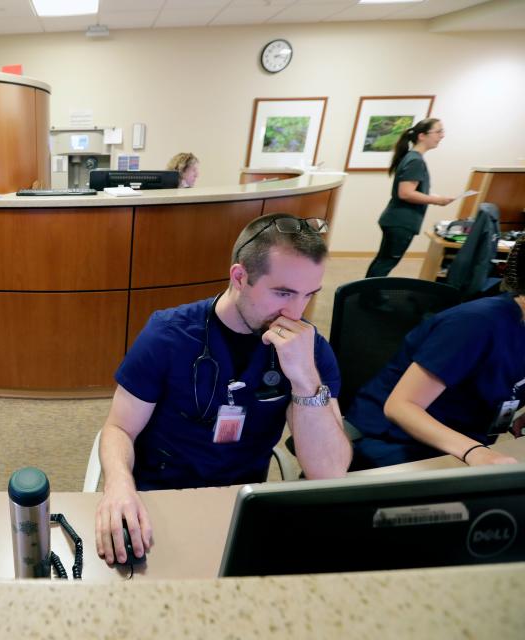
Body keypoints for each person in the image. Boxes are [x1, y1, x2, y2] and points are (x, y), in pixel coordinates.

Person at [94, 213, 351, 566]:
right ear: (240, 276)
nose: (295, 312)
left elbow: (330, 473)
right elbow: (119, 428)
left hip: (242, 503)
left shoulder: (309, 349)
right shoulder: (168, 334)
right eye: (283, 293)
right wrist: (119, 484)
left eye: (309, 295)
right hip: (160, 499)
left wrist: (306, 378)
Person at [347, 237, 525, 469]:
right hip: (398, 440)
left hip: (463, 443)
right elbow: (401, 406)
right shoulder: (475, 323)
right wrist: (473, 451)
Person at [365, 118, 454, 278]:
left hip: (397, 219)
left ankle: (366, 295)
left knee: (383, 261)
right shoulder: (415, 160)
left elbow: (410, 190)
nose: (442, 136)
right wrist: (436, 200)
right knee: (385, 263)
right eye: (438, 131)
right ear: (422, 136)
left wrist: (432, 196)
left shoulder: (412, 157)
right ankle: (368, 298)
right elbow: (405, 193)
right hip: (401, 221)